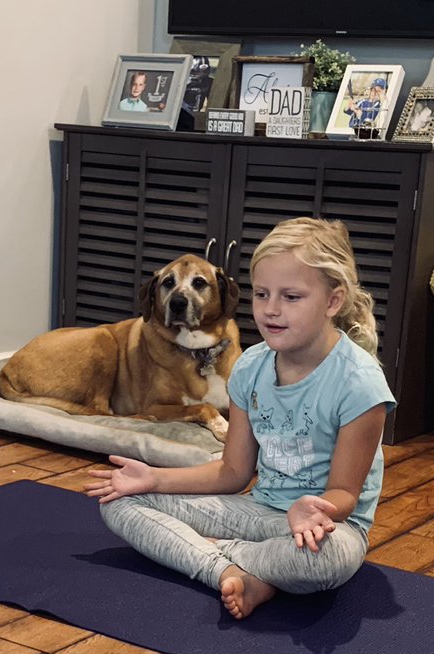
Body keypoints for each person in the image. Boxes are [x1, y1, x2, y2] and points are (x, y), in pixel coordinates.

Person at [87, 217, 395, 620]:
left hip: (328, 528)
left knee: (323, 561)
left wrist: (315, 510)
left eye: (291, 297)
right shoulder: (250, 367)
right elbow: (232, 472)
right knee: (121, 503)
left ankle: (214, 554)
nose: (271, 310)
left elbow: (345, 494)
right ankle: (234, 571)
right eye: (262, 294)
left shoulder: (360, 383)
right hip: (259, 512)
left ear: (333, 302)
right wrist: (155, 478)